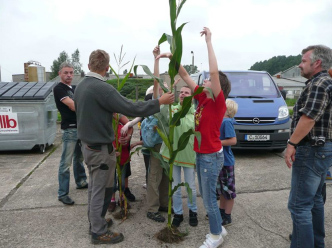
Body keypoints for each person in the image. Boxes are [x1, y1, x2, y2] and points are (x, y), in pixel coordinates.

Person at [74, 49, 174, 245]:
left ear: (89, 66)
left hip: (88, 146)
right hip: (100, 149)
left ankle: (96, 222)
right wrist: (159, 102)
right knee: (100, 190)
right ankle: (98, 231)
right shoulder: (101, 88)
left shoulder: (80, 86)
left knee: (96, 187)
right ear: (106, 68)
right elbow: (131, 107)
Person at [157, 27, 231, 248]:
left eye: (208, 80)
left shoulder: (217, 102)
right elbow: (185, 75)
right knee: (206, 195)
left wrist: (209, 41)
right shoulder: (202, 98)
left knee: (208, 199)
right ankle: (220, 229)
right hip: (202, 155)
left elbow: (215, 74)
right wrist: (173, 57)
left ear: (218, 88)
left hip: (209, 157)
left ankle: (215, 236)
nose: (206, 80)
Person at [284, 45, 332, 248]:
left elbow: (308, 118)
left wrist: (291, 143)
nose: (300, 64)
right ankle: (316, 244)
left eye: (304, 61)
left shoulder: (319, 83)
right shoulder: (324, 82)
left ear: (317, 62)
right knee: (314, 202)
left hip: (311, 150)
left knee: (299, 205)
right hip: (321, 150)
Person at [160, 83, 198, 227]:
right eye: (181, 92)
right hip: (173, 155)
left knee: (190, 187)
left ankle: (193, 211)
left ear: (192, 97)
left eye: (186, 93)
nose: (182, 94)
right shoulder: (173, 109)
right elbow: (162, 113)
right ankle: (178, 213)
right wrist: (166, 91)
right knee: (175, 187)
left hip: (189, 156)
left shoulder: (196, 114)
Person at [53, 62, 88, 205]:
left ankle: (81, 181)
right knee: (65, 162)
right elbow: (73, 106)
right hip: (70, 129)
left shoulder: (74, 88)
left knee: (79, 158)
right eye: (66, 72)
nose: (69, 75)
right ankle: (62, 193)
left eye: (71, 73)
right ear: (59, 73)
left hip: (81, 128)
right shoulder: (59, 89)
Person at [145, 46, 170, 223]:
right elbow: (155, 80)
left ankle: (163, 203)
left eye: (166, 85)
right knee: (154, 175)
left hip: (168, 144)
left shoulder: (171, 103)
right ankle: (152, 208)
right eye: (162, 86)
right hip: (156, 144)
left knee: (165, 176)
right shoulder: (157, 102)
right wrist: (156, 59)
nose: (163, 86)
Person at [123, 92, 153, 189]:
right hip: (146, 147)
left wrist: (136, 143)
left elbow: (151, 139)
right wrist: (126, 125)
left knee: (152, 168)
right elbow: (132, 122)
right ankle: (149, 183)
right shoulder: (143, 115)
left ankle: (151, 186)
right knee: (148, 166)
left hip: (152, 146)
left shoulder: (157, 117)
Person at [217, 99, 238, 226]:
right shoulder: (221, 121)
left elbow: (233, 140)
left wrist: (217, 143)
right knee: (221, 190)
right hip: (219, 161)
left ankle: (227, 216)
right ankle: (221, 212)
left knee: (229, 191)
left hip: (226, 162)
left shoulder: (227, 122)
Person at [108, 113, 133, 212]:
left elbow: (130, 126)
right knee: (111, 180)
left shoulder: (118, 116)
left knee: (122, 179)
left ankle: (121, 197)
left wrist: (128, 138)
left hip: (122, 154)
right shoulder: (103, 119)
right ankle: (112, 199)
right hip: (110, 154)